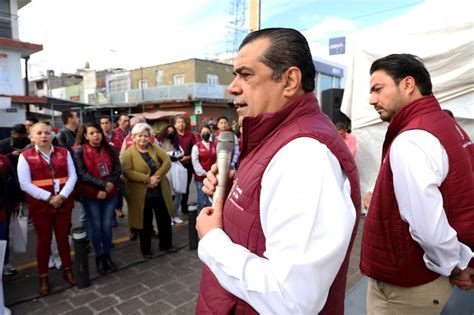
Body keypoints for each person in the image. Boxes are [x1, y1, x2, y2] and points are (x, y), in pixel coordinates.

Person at [196, 28, 360, 314]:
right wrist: (241, 189)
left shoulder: (305, 155)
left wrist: (212, 241)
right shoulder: (275, 137)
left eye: (245, 75)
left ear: (289, 81)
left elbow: (292, 298)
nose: (232, 87)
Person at [361, 54, 474, 314]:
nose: (371, 100)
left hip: (407, 285)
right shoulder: (446, 123)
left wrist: (456, 266)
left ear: (408, 84)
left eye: (378, 89)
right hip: (426, 277)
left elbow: (428, 229)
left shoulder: (412, 138)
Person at [17, 122, 77, 295]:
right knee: (43, 242)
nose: (44, 136)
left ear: (52, 135)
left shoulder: (64, 153)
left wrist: (62, 196)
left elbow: (72, 176)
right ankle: (43, 276)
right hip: (41, 207)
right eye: (39, 133)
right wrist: (49, 198)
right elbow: (24, 184)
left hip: (63, 204)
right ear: (31, 137)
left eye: (47, 133)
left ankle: (67, 269)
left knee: (63, 239)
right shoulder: (25, 156)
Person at [121, 123, 176, 258]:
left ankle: (166, 245)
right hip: (141, 194)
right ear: (133, 137)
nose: (143, 139)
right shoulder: (129, 153)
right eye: (139, 136)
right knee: (144, 223)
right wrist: (147, 179)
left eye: (145, 136)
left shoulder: (154, 148)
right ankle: (146, 250)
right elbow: (127, 172)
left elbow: (167, 162)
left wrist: (155, 178)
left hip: (159, 191)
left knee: (164, 219)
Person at [73, 123, 121, 275]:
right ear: (86, 136)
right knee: (96, 227)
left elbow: (117, 170)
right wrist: (101, 186)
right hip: (91, 195)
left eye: (98, 132)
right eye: (92, 133)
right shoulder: (79, 151)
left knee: (107, 226)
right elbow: (82, 174)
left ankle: (107, 255)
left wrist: (109, 185)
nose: (96, 135)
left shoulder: (111, 149)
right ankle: (98, 258)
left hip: (110, 194)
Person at [156, 125, 185, 224]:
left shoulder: (175, 142)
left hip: (176, 167)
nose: (170, 133)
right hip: (165, 168)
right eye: (168, 130)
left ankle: (175, 214)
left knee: (178, 193)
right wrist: (169, 155)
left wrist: (173, 154)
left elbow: (181, 152)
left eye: (172, 131)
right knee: (168, 193)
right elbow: (159, 154)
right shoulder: (159, 142)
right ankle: (169, 216)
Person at [191, 125, 216, 213]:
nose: (205, 134)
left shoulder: (215, 145)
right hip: (200, 177)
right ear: (200, 134)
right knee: (201, 198)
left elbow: (217, 159)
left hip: (212, 177)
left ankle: (210, 216)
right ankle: (200, 216)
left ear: (210, 133)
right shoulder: (196, 146)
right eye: (203, 132)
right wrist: (204, 173)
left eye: (207, 132)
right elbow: (195, 162)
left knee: (211, 198)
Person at [174, 115, 196, 214]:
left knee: (186, 187)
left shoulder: (191, 135)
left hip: (188, 165)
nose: (181, 124)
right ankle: (174, 209)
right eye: (178, 122)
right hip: (175, 165)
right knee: (175, 187)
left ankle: (184, 206)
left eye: (182, 122)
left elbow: (196, 150)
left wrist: (189, 157)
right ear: (175, 125)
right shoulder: (172, 136)